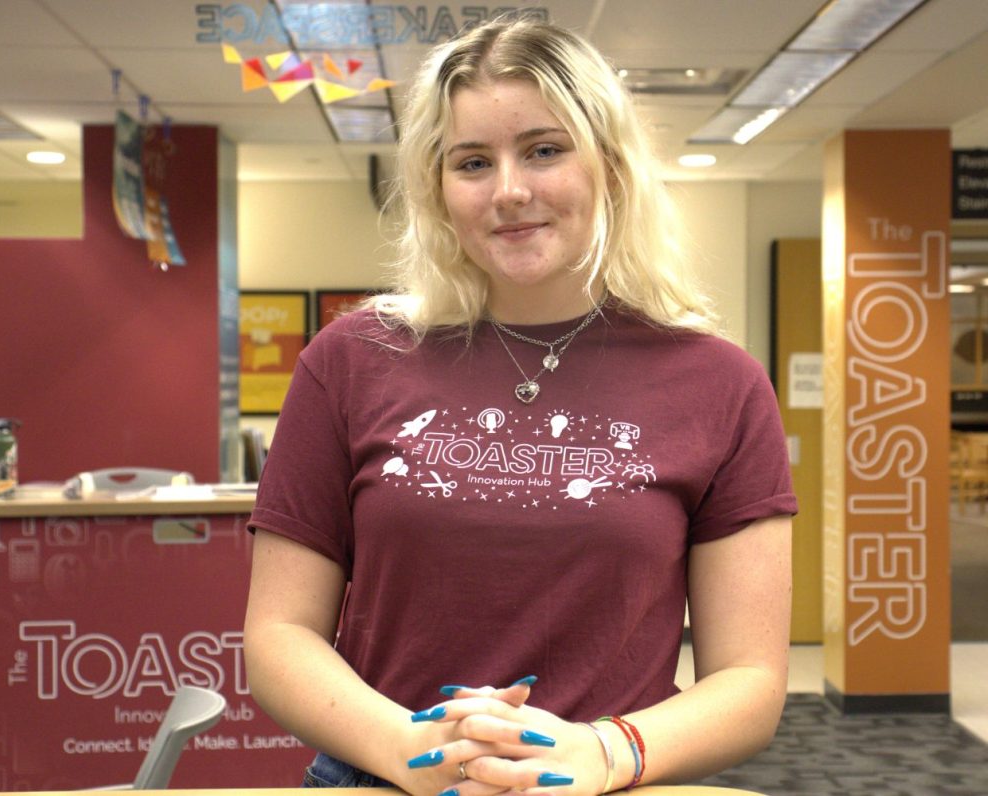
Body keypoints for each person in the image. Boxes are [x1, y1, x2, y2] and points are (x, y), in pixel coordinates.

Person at [243, 14, 797, 796]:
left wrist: (602, 753)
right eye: (472, 162)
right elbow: (277, 635)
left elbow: (749, 681)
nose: (509, 191)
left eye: (543, 150)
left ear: (607, 164)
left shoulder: (721, 384)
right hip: (382, 779)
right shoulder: (350, 361)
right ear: (437, 187)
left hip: (611, 783)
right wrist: (408, 748)